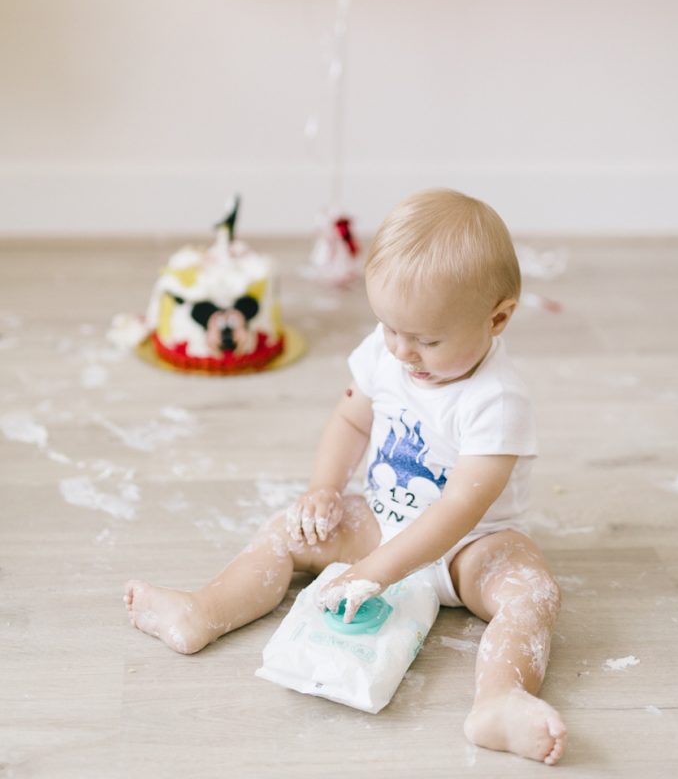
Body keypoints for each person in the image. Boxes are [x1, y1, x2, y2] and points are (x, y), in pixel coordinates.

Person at [124, 189, 566, 766]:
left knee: (533, 591)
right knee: (288, 529)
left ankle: (500, 700)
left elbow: (459, 507)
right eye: (389, 328)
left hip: (469, 547)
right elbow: (351, 418)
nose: (403, 352)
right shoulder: (390, 354)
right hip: (382, 519)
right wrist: (324, 490)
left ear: (498, 317)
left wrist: (373, 573)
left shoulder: (496, 401)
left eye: (428, 340)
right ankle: (203, 612)